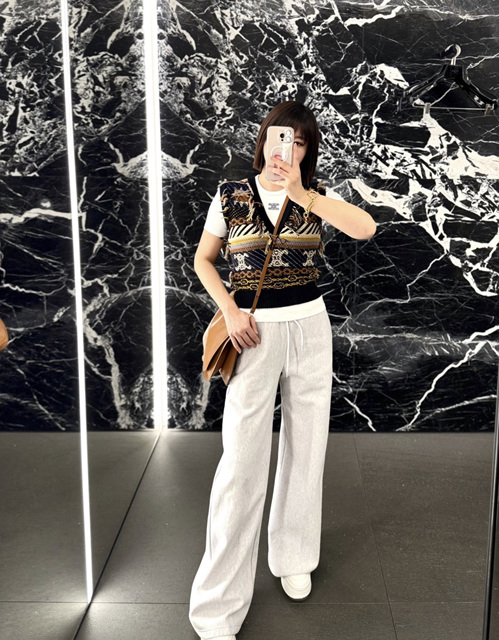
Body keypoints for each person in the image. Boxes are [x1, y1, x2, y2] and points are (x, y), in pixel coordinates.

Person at [189, 100, 376, 640]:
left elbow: (365, 229)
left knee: (307, 447)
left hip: (311, 328)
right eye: (278, 136)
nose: (284, 148)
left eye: (296, 141)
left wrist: (304, 194)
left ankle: (294, 557)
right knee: (241, 463)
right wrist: (229, 311)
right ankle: (217, 607)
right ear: (264, 139)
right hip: (253, 332)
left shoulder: (315, 197)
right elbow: (204, 259)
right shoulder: (231, 194)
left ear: (305, 150)